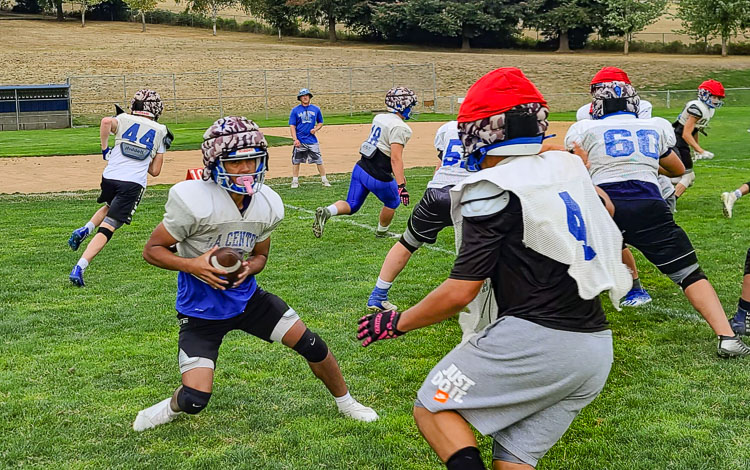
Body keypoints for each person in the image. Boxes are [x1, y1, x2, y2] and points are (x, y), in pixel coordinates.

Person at [358, 67, 633, 469]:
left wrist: (396, 323)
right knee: (513, 458)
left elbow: (460, 292)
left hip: (536, 336)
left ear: (477, 131)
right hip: (593, 347)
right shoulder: (566, 165)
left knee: (432, 407)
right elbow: (606, 207)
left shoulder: (490, 188)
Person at [133, 116, 377, 431]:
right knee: (195, 398)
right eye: (237, 163)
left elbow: (261, 255)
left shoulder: (265, 204)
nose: (247, 169)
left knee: (313, 345)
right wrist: (195, 266)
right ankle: (167, 408)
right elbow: (152, 250)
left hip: (248, 301)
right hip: (201, 311)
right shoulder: (194, 201)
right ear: (215, 162)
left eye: (253, 161)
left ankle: (347, 402)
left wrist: (248, 267)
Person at [565, 77, 749, 358]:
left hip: (604, 206)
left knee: (569, 268)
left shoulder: (584, 128)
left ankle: (563, 335)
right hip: (648, 203)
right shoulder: (655, 126)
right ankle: (727, 337)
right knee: (688, 273)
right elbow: (677, 169)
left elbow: (576, 166)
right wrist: (644, 164)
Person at [364, 121, 497, 340]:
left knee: (406, 244)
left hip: (437, 193)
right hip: (469, 195)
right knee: (481, 256)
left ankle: (378, 295)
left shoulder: (447, 128)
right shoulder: (491, 126)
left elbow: (441, 162)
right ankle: (483, 314)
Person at [68, 89, 170, 287]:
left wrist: (106, 149)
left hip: (110, 176)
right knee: (109, 227)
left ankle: (85, 228)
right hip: (132, 183)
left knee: (109, 205)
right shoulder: (161, 130)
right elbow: (156, 171)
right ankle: (80, 266)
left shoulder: (123, 118)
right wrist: (145, 155)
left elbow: (106, 122)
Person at [575, 66, 655, 308]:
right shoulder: (585, 114)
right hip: (601, 179)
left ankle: (635, 286)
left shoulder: (642, 109)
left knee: (615, 235)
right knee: (592, 234)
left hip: (635, 176)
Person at [312, 87, 417, 239]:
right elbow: (395, 158)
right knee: (393, 201)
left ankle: (327, 211)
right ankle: (382, 232)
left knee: (352, 204)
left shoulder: (379, 117)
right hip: (378, 174)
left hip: (361, 168)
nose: (411, 108)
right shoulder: (401, 127)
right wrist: (401, 185)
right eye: (410, 105)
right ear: (401, 105)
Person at [671, 80, 725, 199]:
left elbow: (695, 130)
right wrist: (700, 150)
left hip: (680, 141)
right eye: (714, 97)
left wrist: (695, 149)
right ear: (704, 94)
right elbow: (686, 133)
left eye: (719, 98)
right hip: (676, 140)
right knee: (687, 177)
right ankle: (669, 201)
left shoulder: (708, 109)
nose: (717, 100)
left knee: (686, 178)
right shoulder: (698, 108)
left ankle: (662, 188)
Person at [289, 88, 330, 188]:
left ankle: (324, 180)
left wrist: (315, 129)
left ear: (310, 97)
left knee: (319, 160)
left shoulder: (316, 109)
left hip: (312, 140)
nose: (305, 97)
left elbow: (320, 122)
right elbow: (292, 126)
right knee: (296, 161)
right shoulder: (295, 110)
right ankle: (295, 181)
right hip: (300, 140)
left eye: (307, 95)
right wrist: (295, 139)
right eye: (303, 96)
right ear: (300, 98)